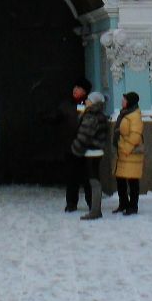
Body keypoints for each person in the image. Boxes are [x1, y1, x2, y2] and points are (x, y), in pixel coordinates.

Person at [71, 91, 110, 220]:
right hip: (97, 151)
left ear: (93, 102)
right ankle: (95, 209)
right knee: (95, 180)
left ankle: (95, 210)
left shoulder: (91, 116)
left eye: (88, 99)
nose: (86, 101)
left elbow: (84, 135)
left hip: (91, 151)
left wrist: (75, 148)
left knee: (94, 181)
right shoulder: (100, 115)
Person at [57, 78, 92, 213]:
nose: (75, 90)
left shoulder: (90, 105)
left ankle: (92, 203)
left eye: (78, 88)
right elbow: (57, 117)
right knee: (71, 177)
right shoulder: (66, 105)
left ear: (85, 91)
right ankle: (71, 203)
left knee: (88, 177)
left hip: (86, 147)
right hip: (71, 147)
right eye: (75, 87)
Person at [112, 92, 144, 215]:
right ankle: (123, 203)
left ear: (130, 101)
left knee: (132, 180)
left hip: (130, 154)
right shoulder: (125, 113)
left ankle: (133, 206)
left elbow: (135, 136)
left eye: (124, 99)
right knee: (120, 179)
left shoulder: (135, 115)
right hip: (123, 153)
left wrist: (125, 148)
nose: (122, 101)